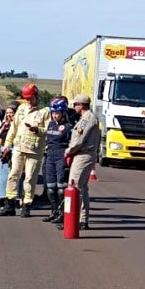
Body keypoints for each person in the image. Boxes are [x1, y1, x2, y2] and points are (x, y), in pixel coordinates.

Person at [0, 84, 50, 218]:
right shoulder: (21, 109)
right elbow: (13, 129)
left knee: (30, 178)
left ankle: (26, 205)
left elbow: (48, 130)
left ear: (36, 96)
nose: (28, 101)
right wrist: (7, 145)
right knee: (13, 175)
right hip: (18, 148)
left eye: (30, 98)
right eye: (26, 99)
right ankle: (9, 205)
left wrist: (37, 130)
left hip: (34, 151)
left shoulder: (44, 111)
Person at [64, 93, 100, 230]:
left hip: (83, 155)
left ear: (81, 105)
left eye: (75, 104)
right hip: (82, 154)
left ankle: (76, 220)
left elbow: (79, 140)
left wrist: (68, 151)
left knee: (75, 186)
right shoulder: (86, 118)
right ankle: (80, 219)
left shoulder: (87, 119)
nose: (74, 107)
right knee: (81, 188)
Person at [41, 97, 72, 224]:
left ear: (63, 113)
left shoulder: (68, 127)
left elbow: (72, 143)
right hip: (50, 155)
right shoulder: (50, 124)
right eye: (53, 113)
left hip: (61, 155)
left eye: (57, 113)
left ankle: (61, 214)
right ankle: (53, 212)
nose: (55, 115)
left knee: (61, 188)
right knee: (50, 188)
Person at [0, 101, 21, 208]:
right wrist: (3, 127)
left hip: (15, 149)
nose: (9, 115)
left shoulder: (19, 125)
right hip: (4, 149)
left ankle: (16, 198)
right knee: (4, 175)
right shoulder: (4, 124)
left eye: (11, 113)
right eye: (7, 113)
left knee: (15, 175)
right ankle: (3, 197)